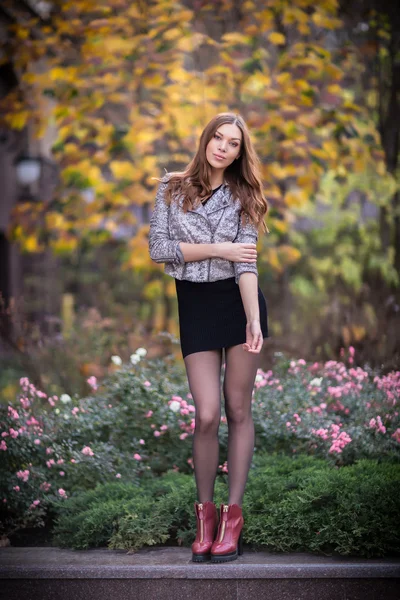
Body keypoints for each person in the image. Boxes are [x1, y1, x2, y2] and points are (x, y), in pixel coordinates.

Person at [148, 112, 269, 563]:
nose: (223, 147)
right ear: (205, 140)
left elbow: (247, 264)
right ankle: (205, 516)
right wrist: (219, 248)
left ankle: (232, 518)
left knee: (238, 410)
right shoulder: (171, 187)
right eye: (217, 137)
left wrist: (254, 320)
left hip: (239, 304)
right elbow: (160, 250)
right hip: (195, 306)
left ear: (240, 151)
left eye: (233, 143)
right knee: (206, 414)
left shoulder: (246, 195)